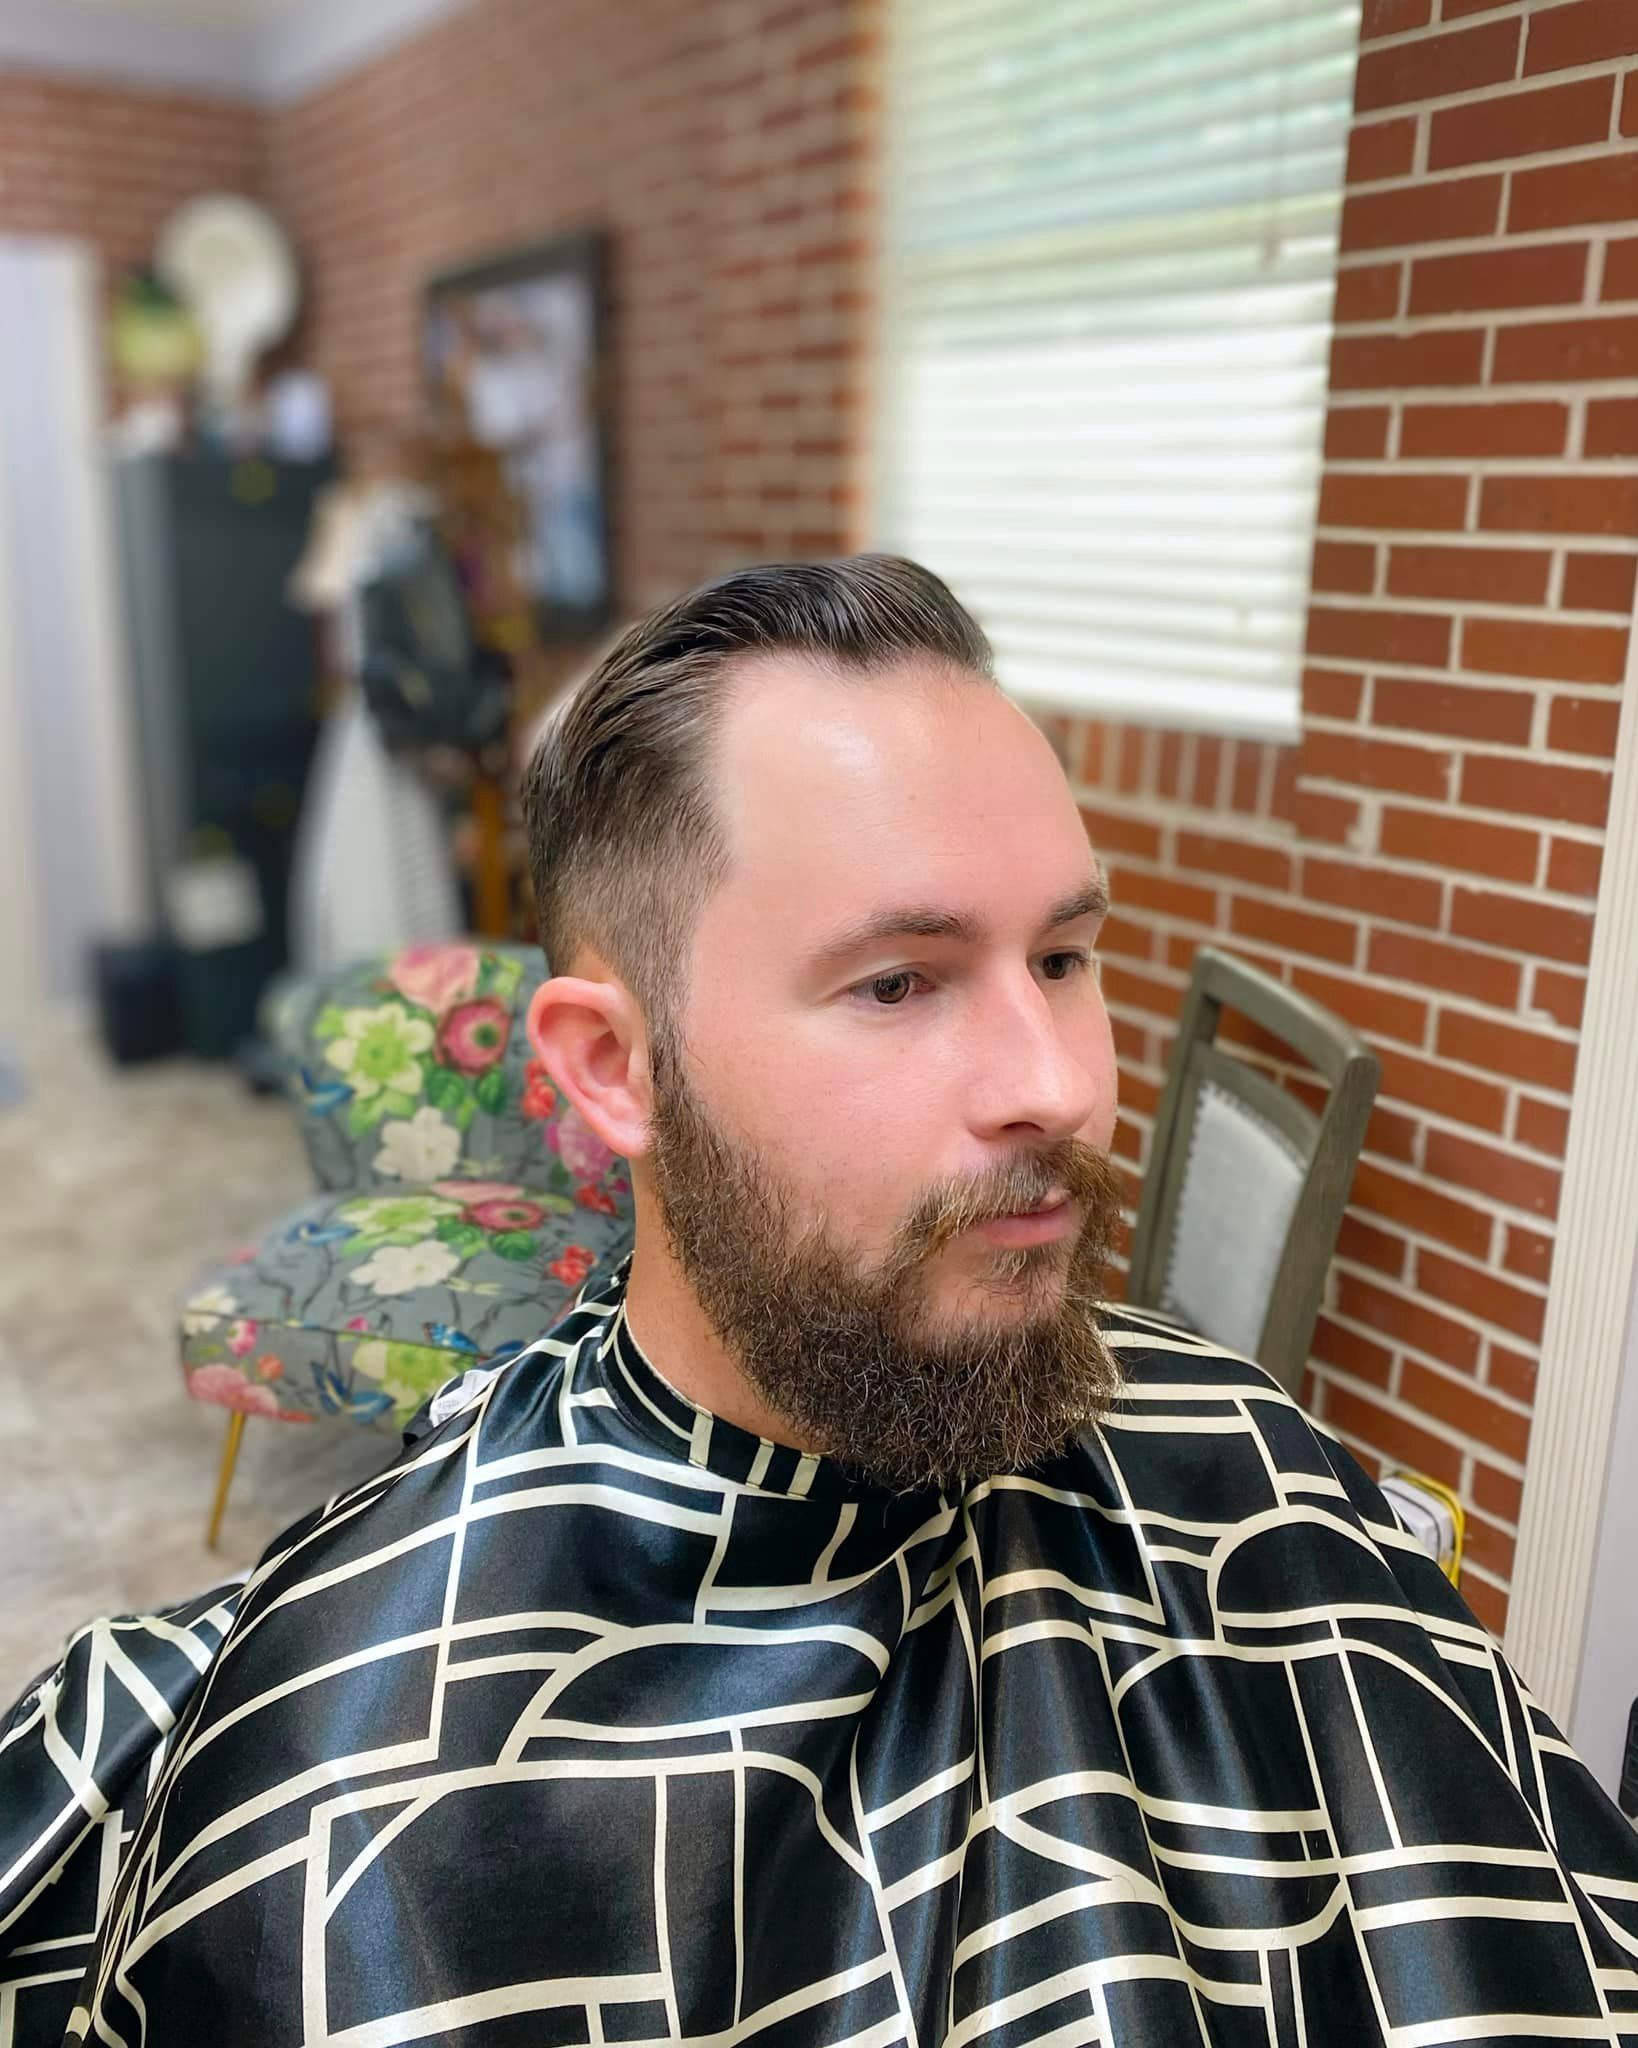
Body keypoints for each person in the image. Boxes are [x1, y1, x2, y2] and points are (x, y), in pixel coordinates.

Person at [4, 556, 1637, 2045]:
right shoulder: (353, 1792)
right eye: (898, 982)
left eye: (1064, 958)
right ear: (612, 1067)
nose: (1058, 1087)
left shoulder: (1245, 1462)